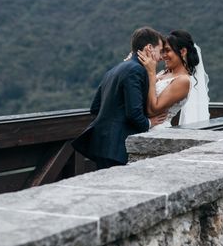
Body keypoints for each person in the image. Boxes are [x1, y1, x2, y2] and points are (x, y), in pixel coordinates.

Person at [72, 27, 168, 169]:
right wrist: (149, 122)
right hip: (117, 148)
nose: (161, 57)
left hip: (102, 145)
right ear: (149, 48)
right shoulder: (136, 70)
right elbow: (133, 113)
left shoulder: (114, 69)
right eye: (160, 51)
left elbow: (95, 107)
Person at [137, 30, 210, 129]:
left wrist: (151, 73)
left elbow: (153, 110)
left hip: (157, 131)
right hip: (145, 127)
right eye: (162, 51)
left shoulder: (183, 81)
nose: (163, 56)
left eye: (168, 50)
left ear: (183, 51)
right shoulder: (163, 73)